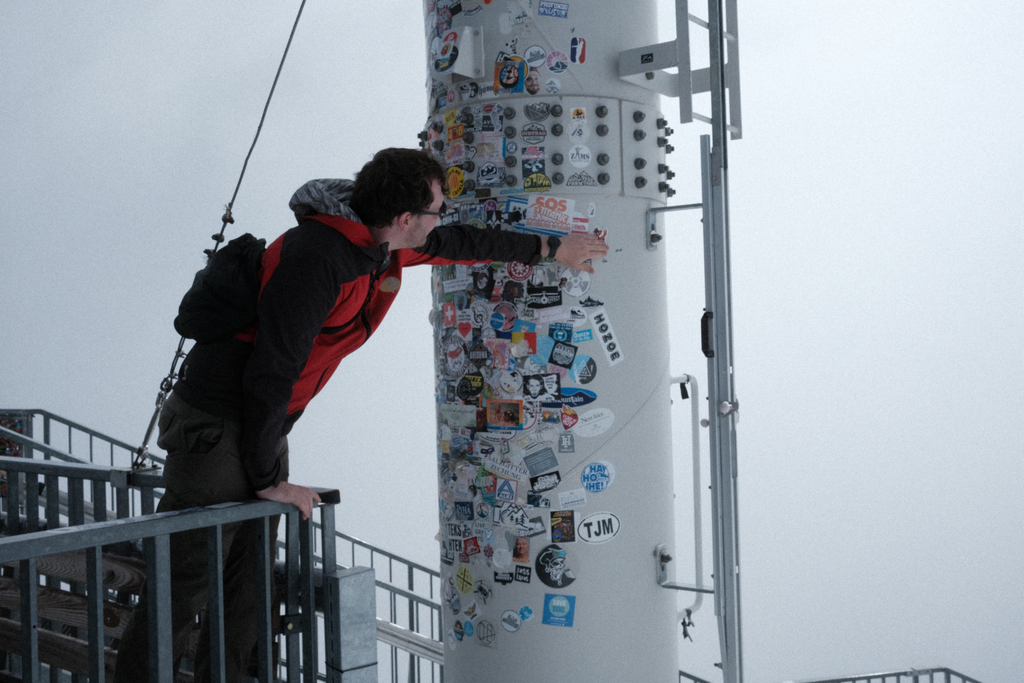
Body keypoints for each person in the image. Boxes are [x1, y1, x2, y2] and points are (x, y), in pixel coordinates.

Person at [114, 147, 607, 683]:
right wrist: (267, 480)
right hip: (218, 420)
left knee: (248, 577)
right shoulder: (316, 259)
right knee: (188, 575)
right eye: (437, 208)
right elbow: (271, 370)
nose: (441, 218)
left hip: (265, 421)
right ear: (404, 219)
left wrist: (551, 247)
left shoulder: (383, 248)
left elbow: (460, 242)